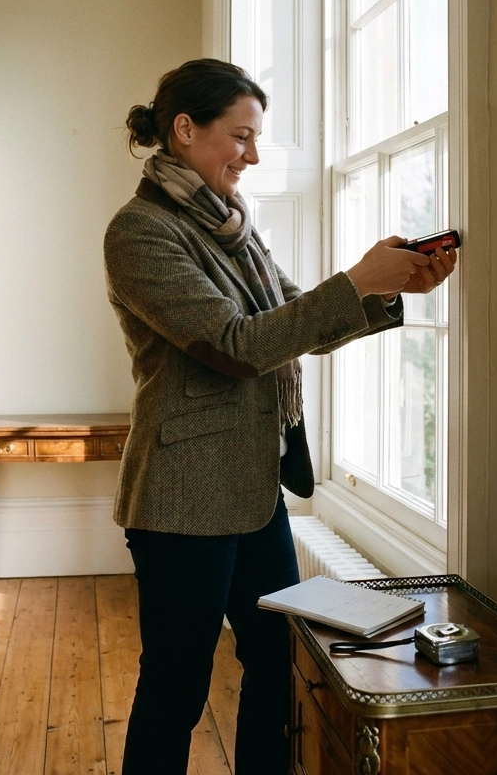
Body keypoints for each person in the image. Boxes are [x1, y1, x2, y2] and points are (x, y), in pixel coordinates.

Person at [104, 58, 456, 775]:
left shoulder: (232, 226)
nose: (253, 156)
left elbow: (296, 318)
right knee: (177, 685)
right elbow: (236, 345)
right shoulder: (139, 233)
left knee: (276, 662)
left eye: (256, 139)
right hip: (180, 501)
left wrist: (390, 287)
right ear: (183, 129)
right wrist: (357, 280)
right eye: (240, 136)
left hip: (254, 489)